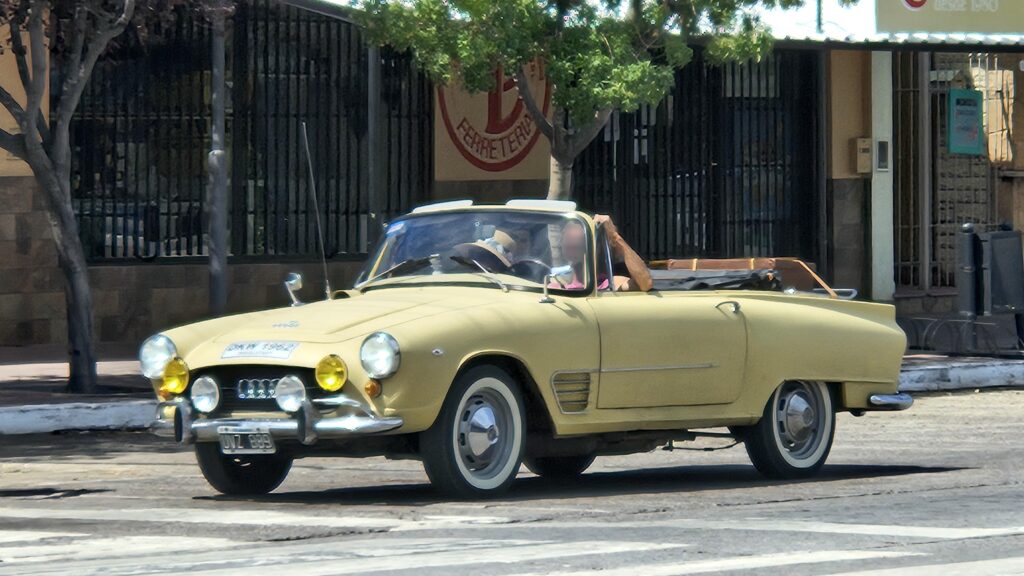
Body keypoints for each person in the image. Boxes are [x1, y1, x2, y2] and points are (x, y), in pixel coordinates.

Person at [556, 215, 652, 292]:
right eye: (567, 237)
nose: (571, 240)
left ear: (597, 247)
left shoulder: (609, 284)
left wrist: (615, 236)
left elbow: (645, 283)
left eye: (578, 239)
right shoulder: (553, 284)